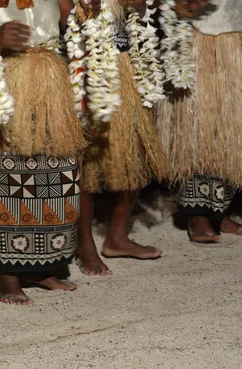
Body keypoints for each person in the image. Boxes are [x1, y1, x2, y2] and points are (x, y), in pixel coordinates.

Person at [0, 0, 87, 305]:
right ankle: (7, 274)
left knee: (54, 172)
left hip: (49, 77)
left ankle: (42, 266)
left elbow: (72, 21)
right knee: (7, 173)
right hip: (2, 77)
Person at [157, 0, 242, 243]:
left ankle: (219, 210)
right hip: (205, 37)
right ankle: (198, 214)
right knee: (204, 127)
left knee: (238, 127)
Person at [76, 0, 168, 276]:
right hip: (84, 65)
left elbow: (147, 11)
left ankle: (117, 236)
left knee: (136, 150)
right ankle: (84, 245)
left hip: (126, 64)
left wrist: (139, 6)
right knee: (87, 164)